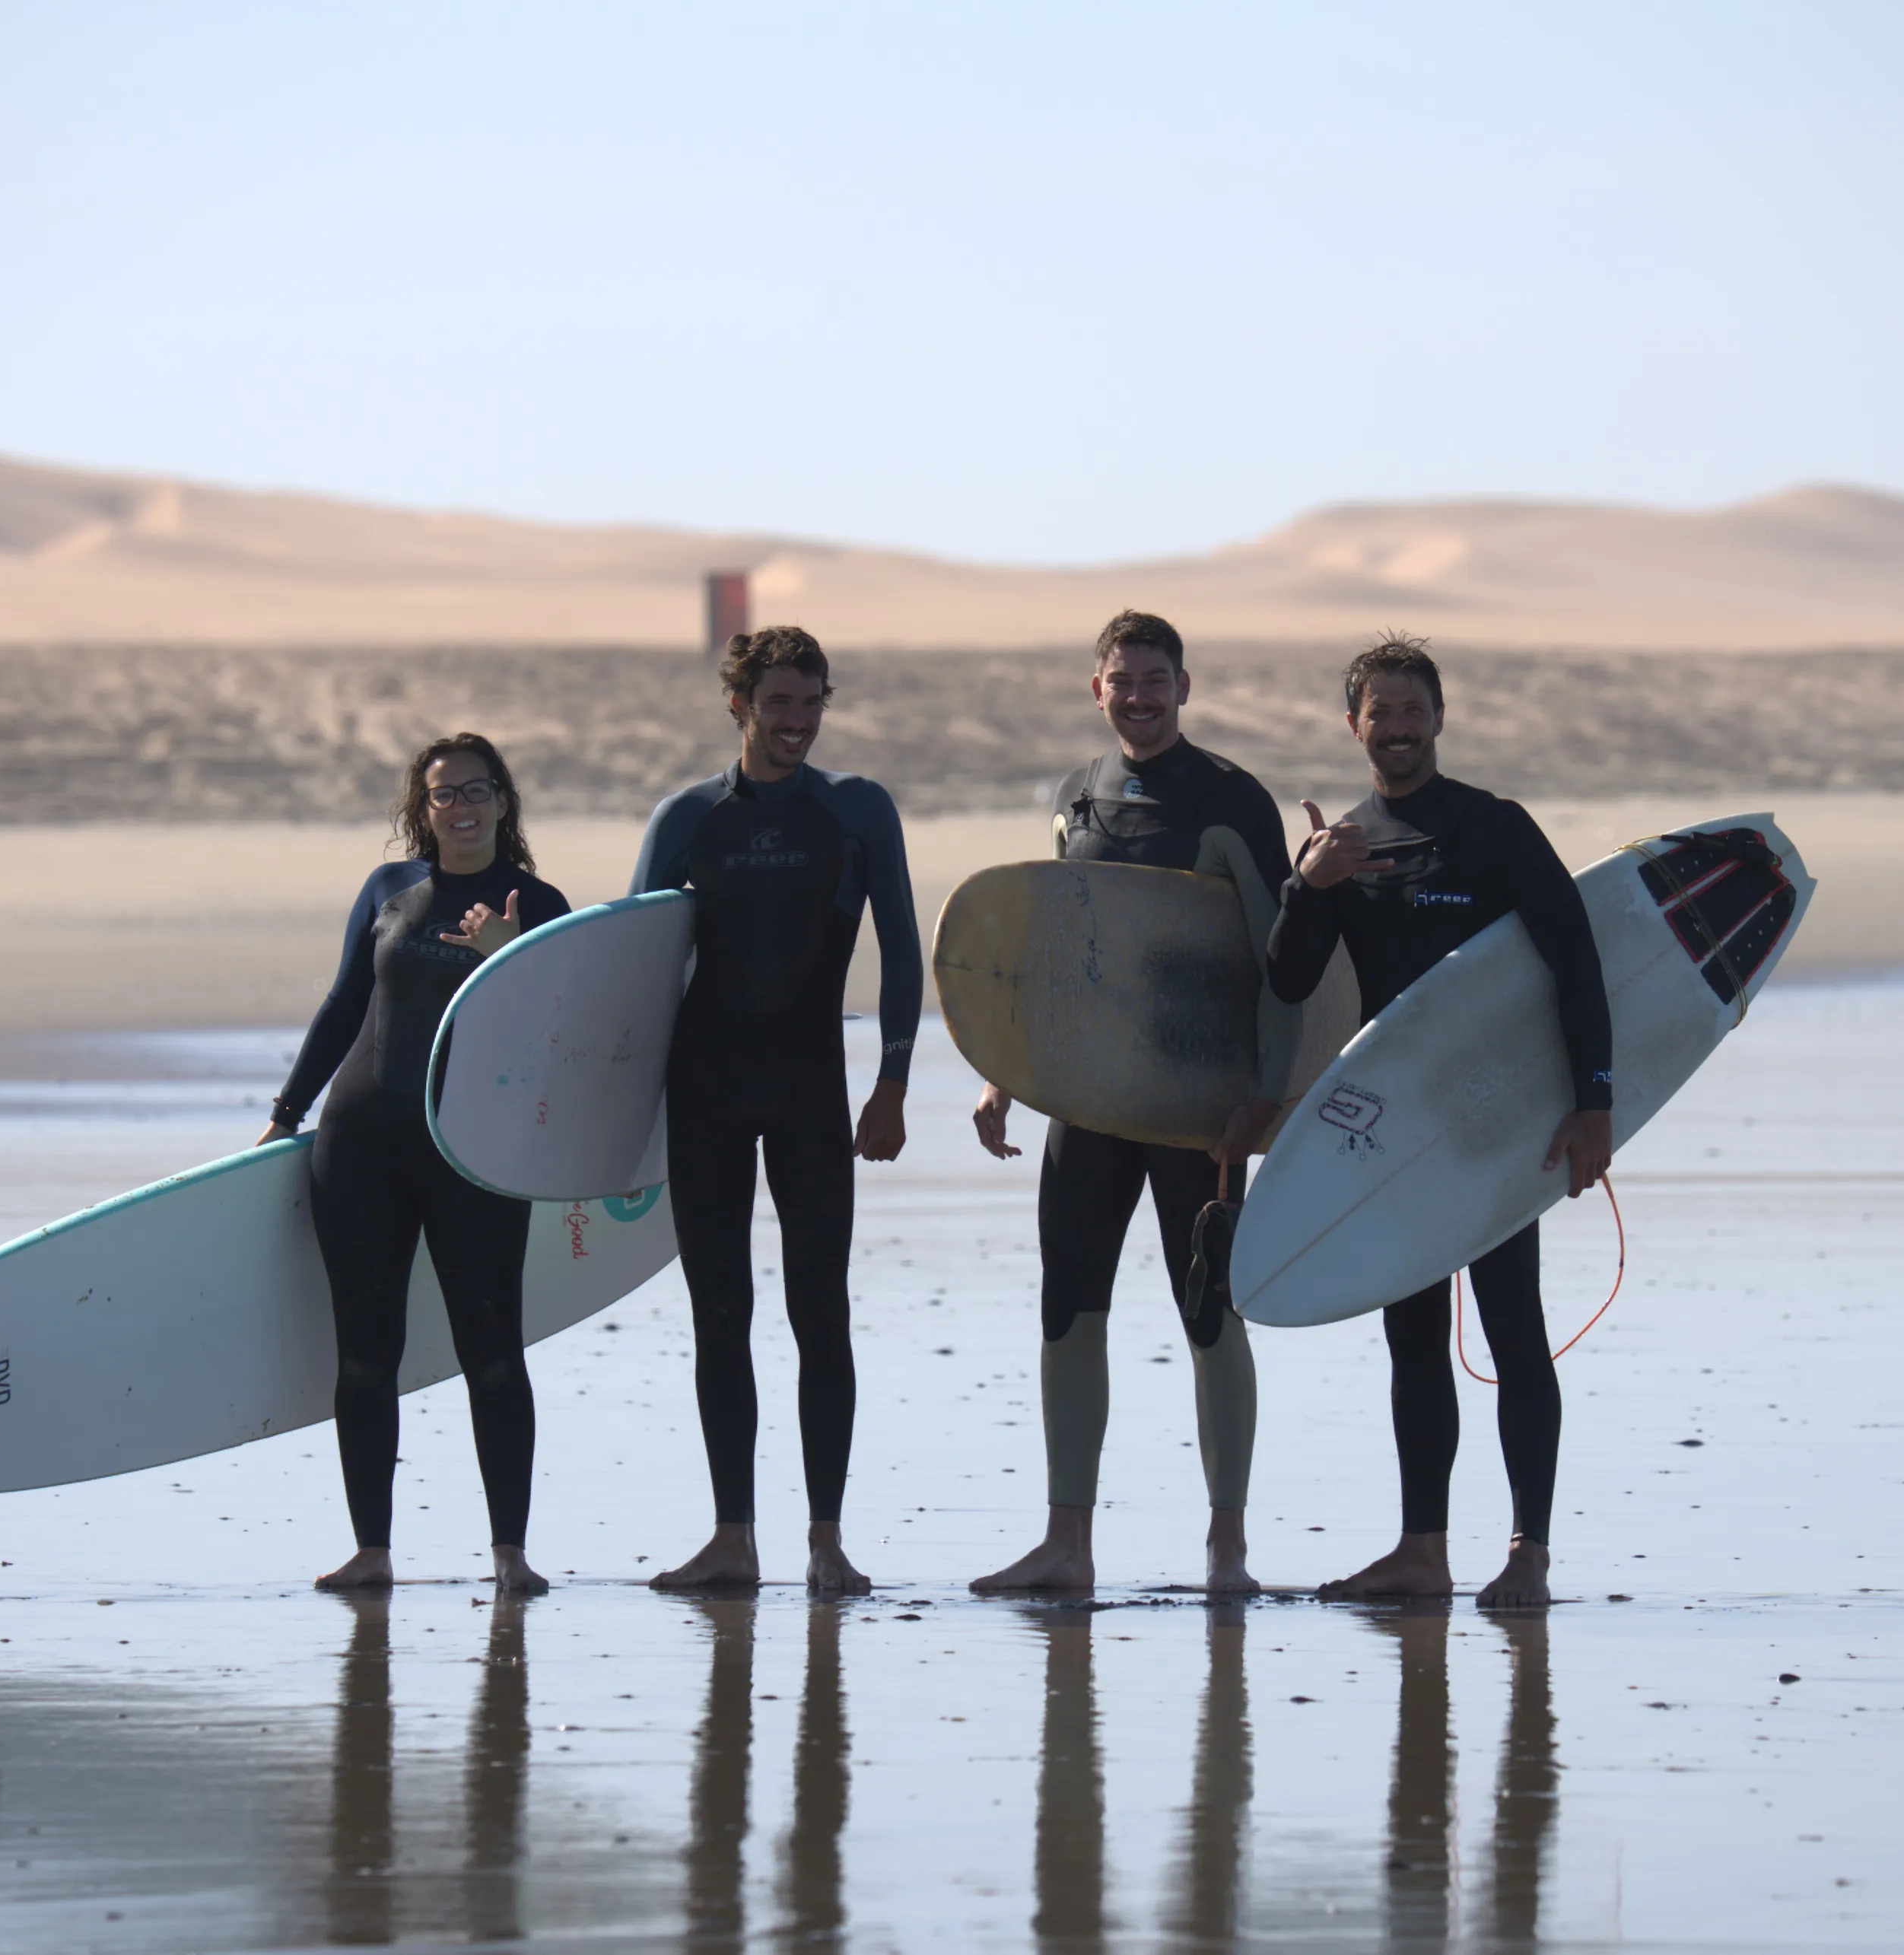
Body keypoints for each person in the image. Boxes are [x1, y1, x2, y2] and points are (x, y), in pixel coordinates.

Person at [1266, 636, 1613, 1610]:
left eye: (1414, 708)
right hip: (1398, 1137)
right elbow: (1289, 980)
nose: (1400, 727)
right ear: (1354, 726)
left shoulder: (1494, 829)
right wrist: (1310, 883)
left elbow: (1577, 958)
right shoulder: (1345, 844)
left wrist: (1594, 1103)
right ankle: (1423, 1550)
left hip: (1499, 1123)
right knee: (1412, 1339)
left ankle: (1529, 1555)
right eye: (1381, 712)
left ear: (1440, 716)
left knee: (1513, 1331)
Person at [969, 609, 1298, 1597]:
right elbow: (1064, 950)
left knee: (1210, 1311)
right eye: (1124, 680)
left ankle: (1226, 1552)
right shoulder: (1078, 795)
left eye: (1158, 679)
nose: (1141, 696)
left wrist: (1270, 1097)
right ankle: (1067, 1545)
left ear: (1185, 687)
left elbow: (1285, 965)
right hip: (1088, 1101)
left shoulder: (1232, 799)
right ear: (1097, 687)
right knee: (1068, 1308)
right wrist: (1006, 1070)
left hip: (1198, 1108)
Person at [629, 625, 921, 1597]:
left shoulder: (855, 811)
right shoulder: (685, 820)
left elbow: (903, 949)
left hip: (809, 1090)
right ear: (739, 707)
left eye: (811, 704)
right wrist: (613, 1123)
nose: (796, 723)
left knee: (819, 1313)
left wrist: (892, 1079)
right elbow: (631, 976)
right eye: (778, 705)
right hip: (703, 1089)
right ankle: (733, 1536)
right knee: (721, 1317)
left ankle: (827, 1541)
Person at [257, 732, 571, 1594]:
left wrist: (505, 955)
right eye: (444, 794)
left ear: (504, 802)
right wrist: (285, 1113)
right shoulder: (389, 889)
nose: (462, 806)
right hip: (361, 1143)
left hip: (476, 1153)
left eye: (478, 790)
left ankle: (510, 1554)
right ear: (421, 809)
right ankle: (372, 1551)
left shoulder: (538, 904)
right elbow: (341, 1005)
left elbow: (557, 1043)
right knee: (364, 1353)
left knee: (493, 1348)